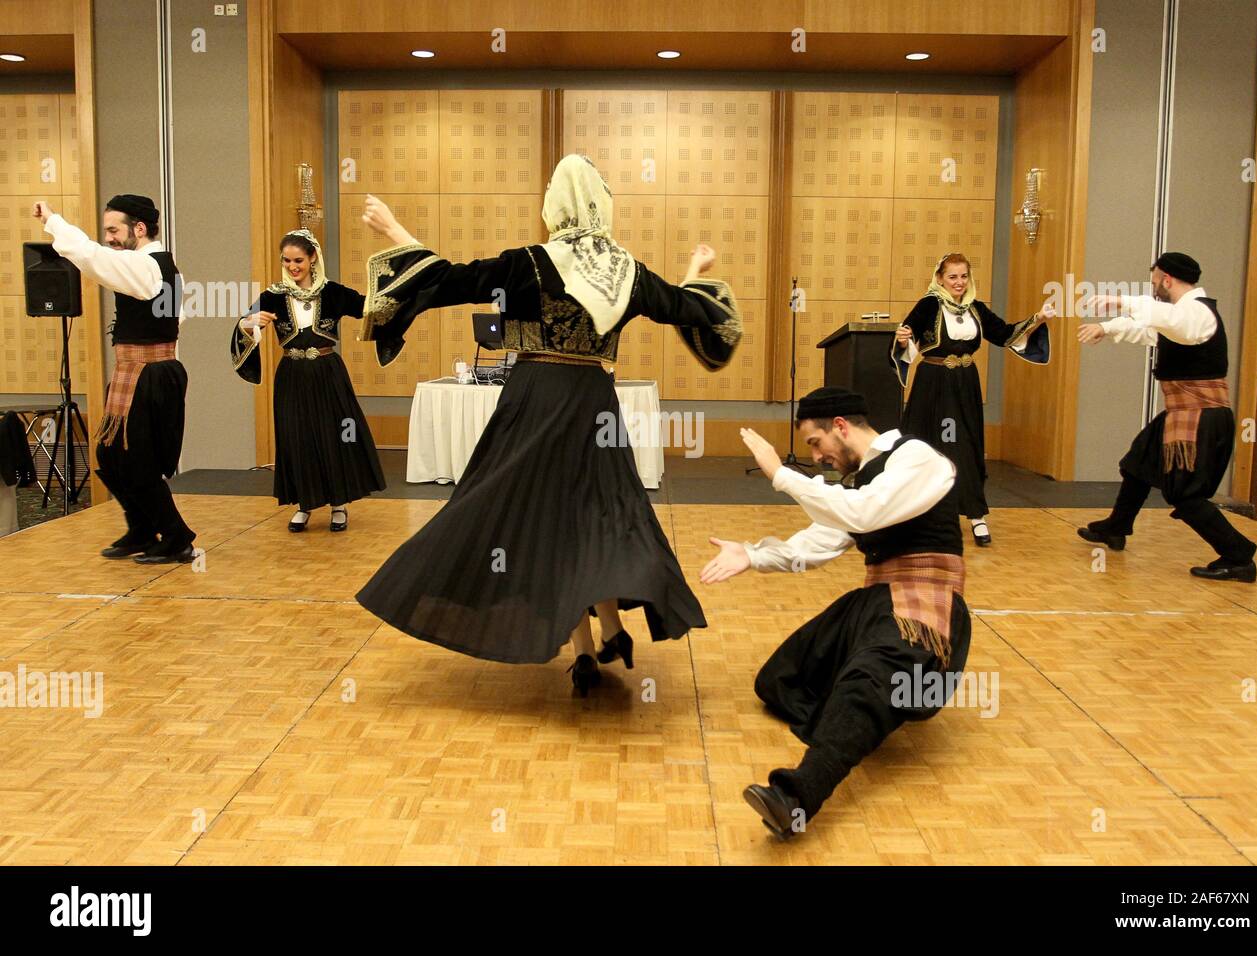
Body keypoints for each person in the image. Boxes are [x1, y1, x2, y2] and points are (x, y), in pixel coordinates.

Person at [353, 154, 742, 694]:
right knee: (596, 516)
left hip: (535, 400)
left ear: (555, 201)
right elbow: (687, 308)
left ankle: (588, 647)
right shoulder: (626, 271)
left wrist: (394, 228)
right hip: (594, 404)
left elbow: (449, 280)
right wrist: (697, 273)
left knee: (541, 520)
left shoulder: (532, 263)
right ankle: (604, 632)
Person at [701, 387, 970, 838]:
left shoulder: (917, 459)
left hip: (922, 607)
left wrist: (781, 475)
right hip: (874, 601)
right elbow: (819, 541)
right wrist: (752, 554)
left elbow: (863, 515)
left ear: (841, 426)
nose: (818, 456)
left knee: (868, 681)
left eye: (815, 443)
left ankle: (798, 795)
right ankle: (857, 719)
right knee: (778, 680)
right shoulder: (860, 482)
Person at [1076, 252, 1257, 581]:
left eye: (1155, 278)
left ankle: (1238, 555)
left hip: (1202, 417)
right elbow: (1150, 330)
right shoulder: (1181, 316)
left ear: (1167, 279)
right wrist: (1106, 327)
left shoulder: (1197, 314)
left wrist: (1121, 301)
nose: (1153, 284)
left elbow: (1169, 322)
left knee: (1185, 495)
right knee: (1139, 461)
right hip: (1184, 411)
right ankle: (1117, 527)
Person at [34, 196, 196, 563]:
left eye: (113, 230)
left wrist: (54, 221)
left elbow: (92, 257)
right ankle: (141, 528)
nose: (108, 237)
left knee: (138, 461)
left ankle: (176, 537)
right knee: (110, 454)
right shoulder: (158, 265)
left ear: (139, 228)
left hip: (148, 374)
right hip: (139, 370)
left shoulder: (144, 266)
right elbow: (176, 317)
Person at [891, 253, 1052, 547]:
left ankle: (976, 515)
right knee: (936, 442)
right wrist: (902, 339)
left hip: (964, 384)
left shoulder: (976, 308)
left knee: (966, 443)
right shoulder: (928, 304)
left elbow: (1004, 334)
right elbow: (908, 336)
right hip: (934, 384)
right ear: (940, 278)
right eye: (952, 277)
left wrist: (1037, 318)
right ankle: (923, 514)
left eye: (964, 276)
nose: (959, 283)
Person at [232, 229, 386, 531]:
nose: (293, 266)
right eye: (287, 261)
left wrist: (393, 294)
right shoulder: (271, 296)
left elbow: (370, 309)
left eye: (298, 260)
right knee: (296, 436)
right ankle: (305, 504)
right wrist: (249, 324)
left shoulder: (333, 293)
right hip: (292, 375)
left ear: (313, 257)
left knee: (335, 435)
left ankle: (338, 504)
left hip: (328, 372)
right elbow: (244, 327)